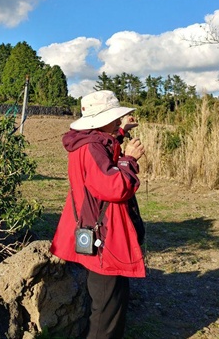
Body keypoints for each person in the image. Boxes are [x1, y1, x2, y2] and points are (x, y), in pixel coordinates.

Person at [50, 90, 146, 339]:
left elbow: (106, 149)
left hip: (96, 229)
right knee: (105, 311)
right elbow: (115, 187)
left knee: (111, 300)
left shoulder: (89, 141)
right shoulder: (92, 147)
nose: (118, 123)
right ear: (100, 121)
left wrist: (121, 132)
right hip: (104, 235)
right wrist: (129, 161)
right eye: (114, 119)